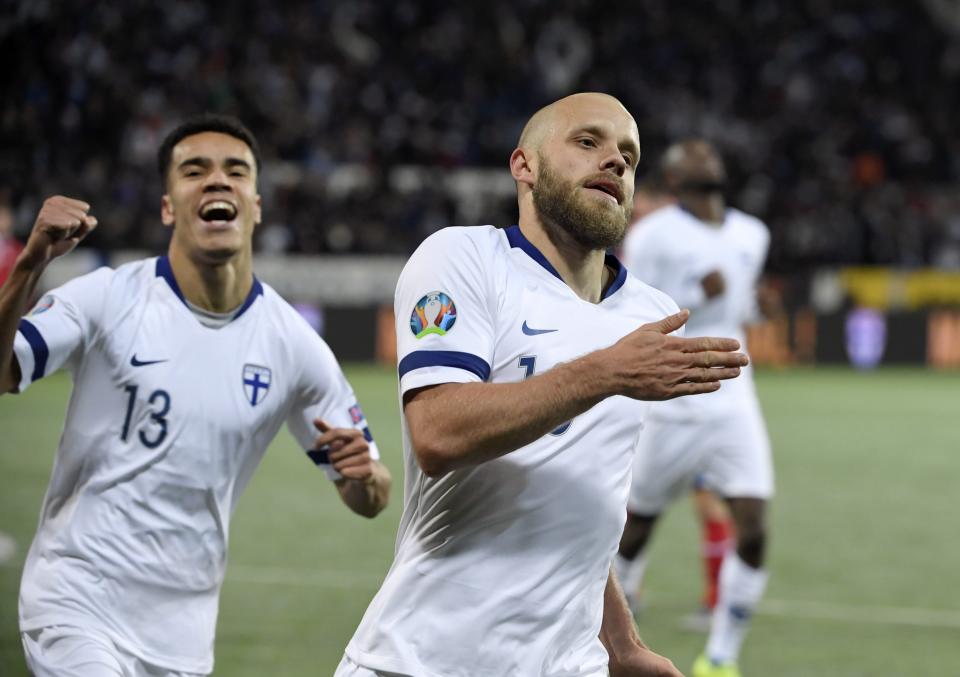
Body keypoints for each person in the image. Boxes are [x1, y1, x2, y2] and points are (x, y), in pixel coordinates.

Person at [335, 93, 749, 677]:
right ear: (523, 165)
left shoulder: (649, 315)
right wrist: (606, 372)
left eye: (629, 156)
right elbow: (437, 431)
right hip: (422, 659)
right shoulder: (466, 258)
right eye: (588, 142)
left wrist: (623, 645)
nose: (616, 162)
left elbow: (582, 500)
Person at [0, 114, 392, 677]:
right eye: (194, 170)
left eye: (235, 171)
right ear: (167, 206)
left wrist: (364, 477)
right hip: (74, 602)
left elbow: (370, 493)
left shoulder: (293, 344)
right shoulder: (109, 299)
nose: (216, 181)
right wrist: (31, 263)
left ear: (255, 205)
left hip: (182, 638)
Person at [616, 139, 776, 677]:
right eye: (689, 152)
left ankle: (722, 656)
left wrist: (757, 304)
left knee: (752, 528)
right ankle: (613, 629)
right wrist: (693, 291)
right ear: (675, 177)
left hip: (734, 396)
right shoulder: (651, 234)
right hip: (673, 397)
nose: (704, 153)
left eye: (709, 149)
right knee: (634, 528)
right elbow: (639, 306)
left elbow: (741, 301)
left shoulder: (754, 233)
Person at [616, 172, 735, 629]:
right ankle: (630, 589)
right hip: (645, 387)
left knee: (699, 495)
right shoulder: (631, 251)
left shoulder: (682, 249)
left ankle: (713, 597)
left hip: (680, 388)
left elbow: (697, 301)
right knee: (630, 496)